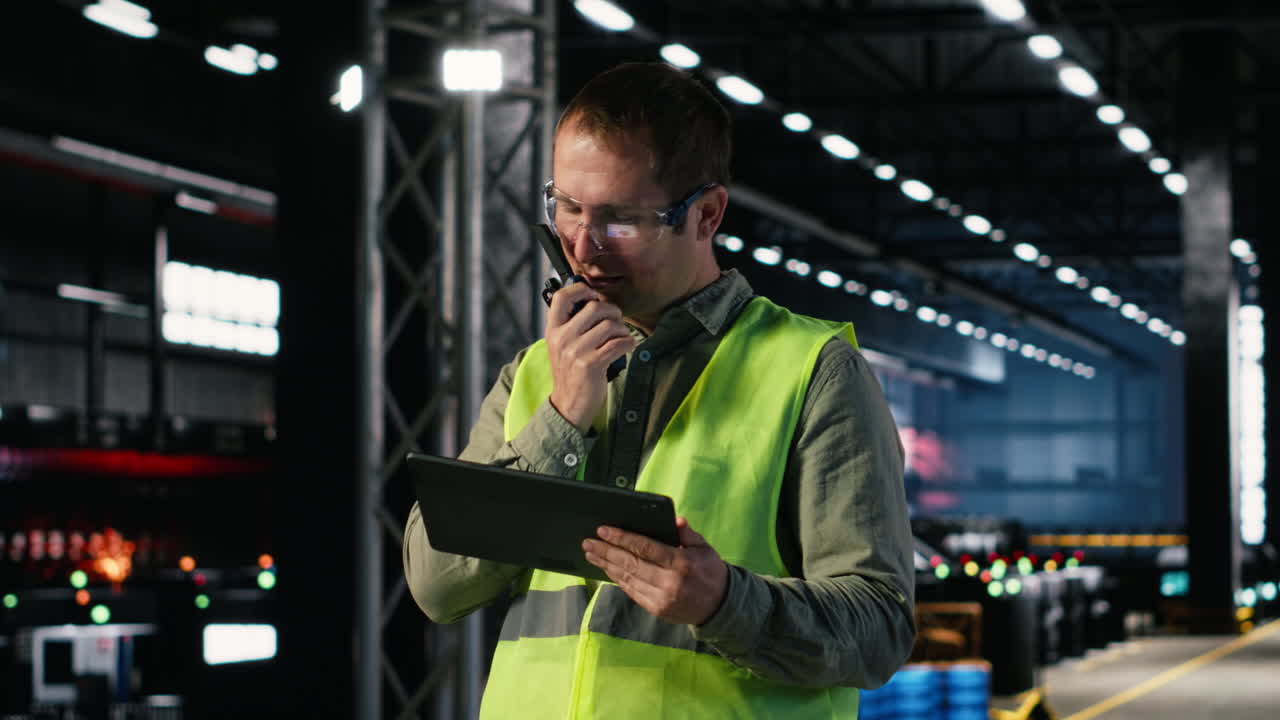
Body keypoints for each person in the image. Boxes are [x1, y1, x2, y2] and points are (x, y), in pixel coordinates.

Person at [403, 61, 915, 718]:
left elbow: (878, 633)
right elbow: (434, 586)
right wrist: (561, 419)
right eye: (567, 207)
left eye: (620, 219)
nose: (585, 247)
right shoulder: (534, 376)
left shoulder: (813, 371)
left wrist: (724, 604)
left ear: (706, 214)